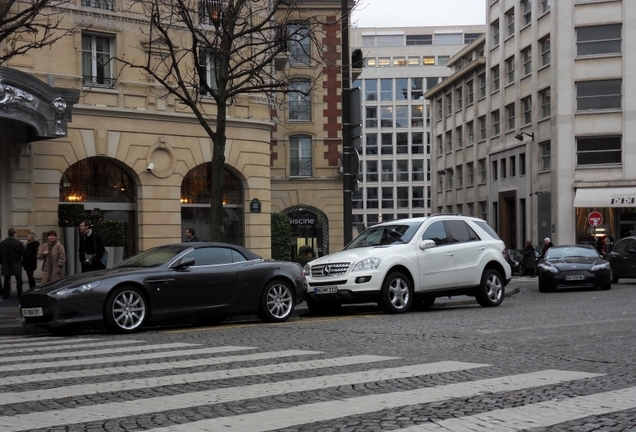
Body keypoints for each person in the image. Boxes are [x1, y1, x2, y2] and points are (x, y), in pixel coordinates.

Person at [0, 228, 26, 298]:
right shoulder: (18, 243)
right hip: (16, 262)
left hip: (6, 263)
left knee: (6, 279)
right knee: (19, 279)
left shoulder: (2, 243)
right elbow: (23, 253)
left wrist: (2, 262)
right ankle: (19, 293)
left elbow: (0, 255)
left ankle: (6, 294)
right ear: (14, 233)